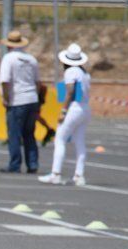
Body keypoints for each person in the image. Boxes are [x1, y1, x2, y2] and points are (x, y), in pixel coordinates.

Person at [39, 43, 91, 186]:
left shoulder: (71, 72)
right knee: (80, 141)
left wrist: (63, 111)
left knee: (60, 139)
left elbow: (70, 91)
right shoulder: (85, 74)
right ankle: (79, 175)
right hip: (85, 108)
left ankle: (56, 173)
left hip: (74, 108)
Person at [0, 30, 40, 174]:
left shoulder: (9, 58)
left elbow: (5, 80)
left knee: (14, 134)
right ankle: (32, 163)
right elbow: (38, 82)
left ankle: (15, 164)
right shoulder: (31, 59)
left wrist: (5, 98)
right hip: (32, 98)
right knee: (29, 133)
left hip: (17, 100)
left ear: (9, 45)